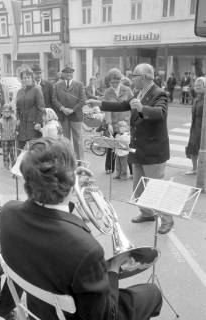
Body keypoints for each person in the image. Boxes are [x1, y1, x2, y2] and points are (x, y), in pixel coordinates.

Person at [0, 137, 162, 320]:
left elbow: (50, 216)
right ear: (69, 179)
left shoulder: (9, 212)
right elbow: (106, 316)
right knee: (152, 292)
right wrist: (113, 267)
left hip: (39, 305)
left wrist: (68, 185)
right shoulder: (87, 251)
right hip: (76, 315)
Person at [87, 63, 174, 234]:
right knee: (138, 186)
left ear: (143, 77)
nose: (131, 78)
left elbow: (160, 113)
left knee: (156, 187)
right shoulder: (138, 92)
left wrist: (142, 108)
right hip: (139, 148)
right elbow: (122, 105)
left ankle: (167, 219)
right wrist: (99, 103)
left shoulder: (159, 93)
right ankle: (147, 213)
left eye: (134, 75)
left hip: (154, 150)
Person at [53, 65, 86, 161]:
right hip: (63, 116)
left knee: (78, 139)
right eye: (66, 73)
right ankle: (68, 160)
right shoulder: (57, 85)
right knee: (65, 139)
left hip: (76, 116)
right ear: (63, 74)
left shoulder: (79, 85)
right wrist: (62, 108)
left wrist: (72, 110)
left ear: (72, 74)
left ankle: (80, 161)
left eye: (70, 73)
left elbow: (83, 100)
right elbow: (54, 99)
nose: (68, 74)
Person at [103, 68, 133, 174]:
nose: (114, 84)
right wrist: (108, 123)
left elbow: (132, 105)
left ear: (120, 80)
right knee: (112, 145)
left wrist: (133, 121)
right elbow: (107, 108)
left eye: (117, 82)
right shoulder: (107, 92)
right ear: (109, 81)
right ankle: (109, 168)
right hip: (114, 123)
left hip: (126, 123)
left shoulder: (127, 90)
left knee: (127, 145)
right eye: (112, 82)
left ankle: (132, 170)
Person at [16, 67, 45, 151]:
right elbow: (17, 108)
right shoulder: (20, 91)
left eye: (28, 77)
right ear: (21, 79)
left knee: (34, 150)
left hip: (33, 124)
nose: (26, 79)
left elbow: (41, 108)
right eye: (24, 78)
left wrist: (39, 122)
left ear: (32, 78)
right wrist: (17, 119)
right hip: (22, 125)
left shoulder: (37, 89)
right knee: (20, 150)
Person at [185, 77, 206, 175]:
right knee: (193, 148)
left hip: (203, 129)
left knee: (202, 149)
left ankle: (202, 170)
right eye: (196, 85)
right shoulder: (197, 98)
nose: (197, 87)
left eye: (200, 85)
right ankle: (195, 169)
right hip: (195, 128)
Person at [0, 104, 16, 170]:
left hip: (12, 139)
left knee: (13, 153)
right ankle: (6, 165)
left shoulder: (14, 119)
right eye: (5, 112)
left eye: (8, 111)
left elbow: (17, 127)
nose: (7, 113)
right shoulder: (0, 121)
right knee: (5, 153)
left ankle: (14, 165)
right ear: (3, 112)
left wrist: (17, 132)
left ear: (11, 112)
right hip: (4, 140)